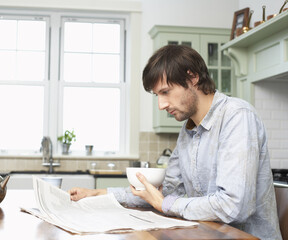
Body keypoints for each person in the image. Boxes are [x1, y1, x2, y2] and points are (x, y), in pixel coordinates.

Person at [69, 45, 282, 240]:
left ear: (192, 78)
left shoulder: (237, 117)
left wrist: (166, 204)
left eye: (165, 92)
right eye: (157, 95)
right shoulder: (188, 129)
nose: (161, 104)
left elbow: (233, 206)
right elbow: (166, 193)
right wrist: (100, 194)